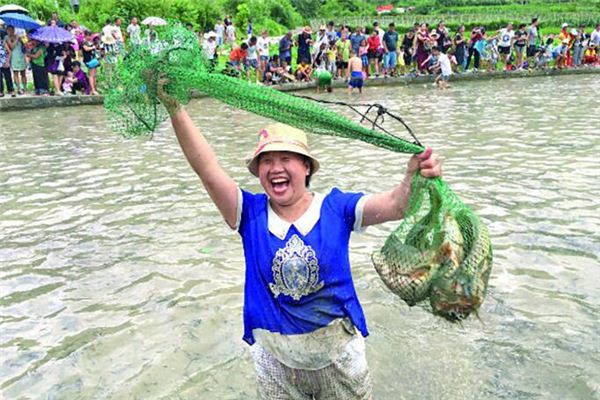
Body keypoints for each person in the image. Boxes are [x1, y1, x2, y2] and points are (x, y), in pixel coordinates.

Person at [153, 78, 442, 400]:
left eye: (286, 158)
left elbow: (395, 205)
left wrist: (413, 176)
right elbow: (206, 168)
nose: (275, 168)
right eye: (266, 160)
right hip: (276, 360)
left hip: (338, 356)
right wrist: (174, 108)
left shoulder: (336, 208)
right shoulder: (248, 214)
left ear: (306, 167)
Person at [3, 26, 27, 95]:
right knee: (15, 73)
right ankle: (19, 88)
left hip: (21, 55)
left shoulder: (19, 36)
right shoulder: (6, 37)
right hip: (13, 56)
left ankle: (25, 88)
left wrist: (22, 39)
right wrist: (16, 39)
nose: (11, 31)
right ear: (7, 31)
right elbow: (11, 47)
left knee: (23, 73)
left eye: (12, 30)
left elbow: (25, 45)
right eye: (9, 30)